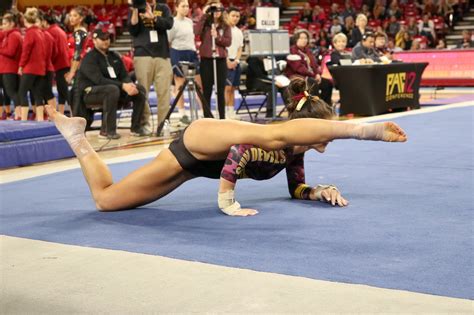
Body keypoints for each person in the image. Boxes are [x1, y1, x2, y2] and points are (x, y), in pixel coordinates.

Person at [45, 77, 407, 214]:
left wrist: (318, 192)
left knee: (107, 200)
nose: (327, 140)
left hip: (194, 166)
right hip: (201, 141)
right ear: (307, 128)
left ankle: (76, 134)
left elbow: (295, 185)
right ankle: (77, 134)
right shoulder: (280, 136)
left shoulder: (293, 151)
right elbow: (243, 151)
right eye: (324, 133)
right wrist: (368, 132)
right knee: (270, 135)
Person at [75, 29, 146, 139]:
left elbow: (124, 75)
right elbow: (99, 80)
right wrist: (123, 86)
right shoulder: (89, 58)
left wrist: (129, 85)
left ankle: (136, 128)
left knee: (139, 89)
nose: (105, 41)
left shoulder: (114, 56)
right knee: (112, 89)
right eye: (102, 39)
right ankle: (107, 131)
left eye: (107, 38)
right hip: (90, 92)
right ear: (94, 40)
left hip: (113, 90)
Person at [129, 0, 174, 134]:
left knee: (164, 93)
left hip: (162, 55)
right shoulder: (136, 7)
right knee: (143, 92)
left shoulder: (163, 8)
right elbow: (133, 30)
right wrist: (136, 11)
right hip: (142, 55)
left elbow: (169, 24)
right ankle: (144, 123)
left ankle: (163, 124)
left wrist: (153, 17)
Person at [194, 0, 231, 119]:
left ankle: (222, 117)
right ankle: (207, 117)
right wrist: (205, 15)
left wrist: (218, 37)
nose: (216, 12)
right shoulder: (205, 24)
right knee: (207, 90)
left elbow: (228, 42)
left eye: (218, 9)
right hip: (206, 60)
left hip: (220, 60)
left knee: (220, 90)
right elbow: (196, 32)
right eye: (213, 9)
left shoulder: (225, 25)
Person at [167, 0, 202, 124]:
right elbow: (169, 41)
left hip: (191, 53)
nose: (186, 8)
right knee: (180, 84)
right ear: (176, 7)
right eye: (183, 6)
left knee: (198, 83)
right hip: (177, 52)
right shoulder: (172, 22)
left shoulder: (189, 22)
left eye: (187, 6)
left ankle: (203, 112)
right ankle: (182, 114)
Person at [285, 29, 333, 105]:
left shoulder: (307, 51)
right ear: (296, 39)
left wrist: (317, 74)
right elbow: (299, 68)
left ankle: (325, 106)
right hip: (297, 77)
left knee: (327, 83)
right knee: (312, 82)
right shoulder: (292, 51)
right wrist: (314, 75)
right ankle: (315, 107)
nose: (304, 40)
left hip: (310, 76)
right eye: (301, 38)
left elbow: (315, 65)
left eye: (305, 38)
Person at [18, 7, 46, 121]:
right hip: (40, 68)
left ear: (25, 21)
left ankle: (24, 120)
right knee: (38, 93)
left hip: (30, 68)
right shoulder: (40, 32)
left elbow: (26, 52)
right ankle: (40, 119)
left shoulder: (30, 33)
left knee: (22, 92)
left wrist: (21, 65)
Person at [43, 10, 71, 115]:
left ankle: (74, 113)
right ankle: (62, 113)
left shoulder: (51, 32)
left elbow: (54, 51)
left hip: (59, 63)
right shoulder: (59, 30)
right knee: (62, 90)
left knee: (64, 91)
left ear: (45, 22)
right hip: (64, 62)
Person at [0, 12, 22, 120]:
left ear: (12, 24)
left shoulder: (14, 35)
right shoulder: (8, 35)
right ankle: (16, 113)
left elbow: (11, 52)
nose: (2, 26)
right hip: (6, 68)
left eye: (4, 24)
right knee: (9, 92)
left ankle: (19, 113)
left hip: (10, 68)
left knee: (11, 92)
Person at [224, 7, 244, 120]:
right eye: (233, 16)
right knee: (226, 88)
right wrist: (227, 60)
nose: (235, 18)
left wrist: (236, 60)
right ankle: (225, 112)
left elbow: (240, 48)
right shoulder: (223, 29)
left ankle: (231, 111)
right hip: (225, 61)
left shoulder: (238, 31)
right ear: (227, 15)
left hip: (235, 62)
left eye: (237, 16)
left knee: (232, 88)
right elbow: (221, 46)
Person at [65, 6, 89, 85]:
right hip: (77, 66)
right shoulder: (77, 31)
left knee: (77, 93)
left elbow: (78, 53)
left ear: (81, 18)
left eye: (75, 16)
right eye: (70, 15)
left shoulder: (79, 32)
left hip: (79, 67)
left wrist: (72, 72)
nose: (71, 18)